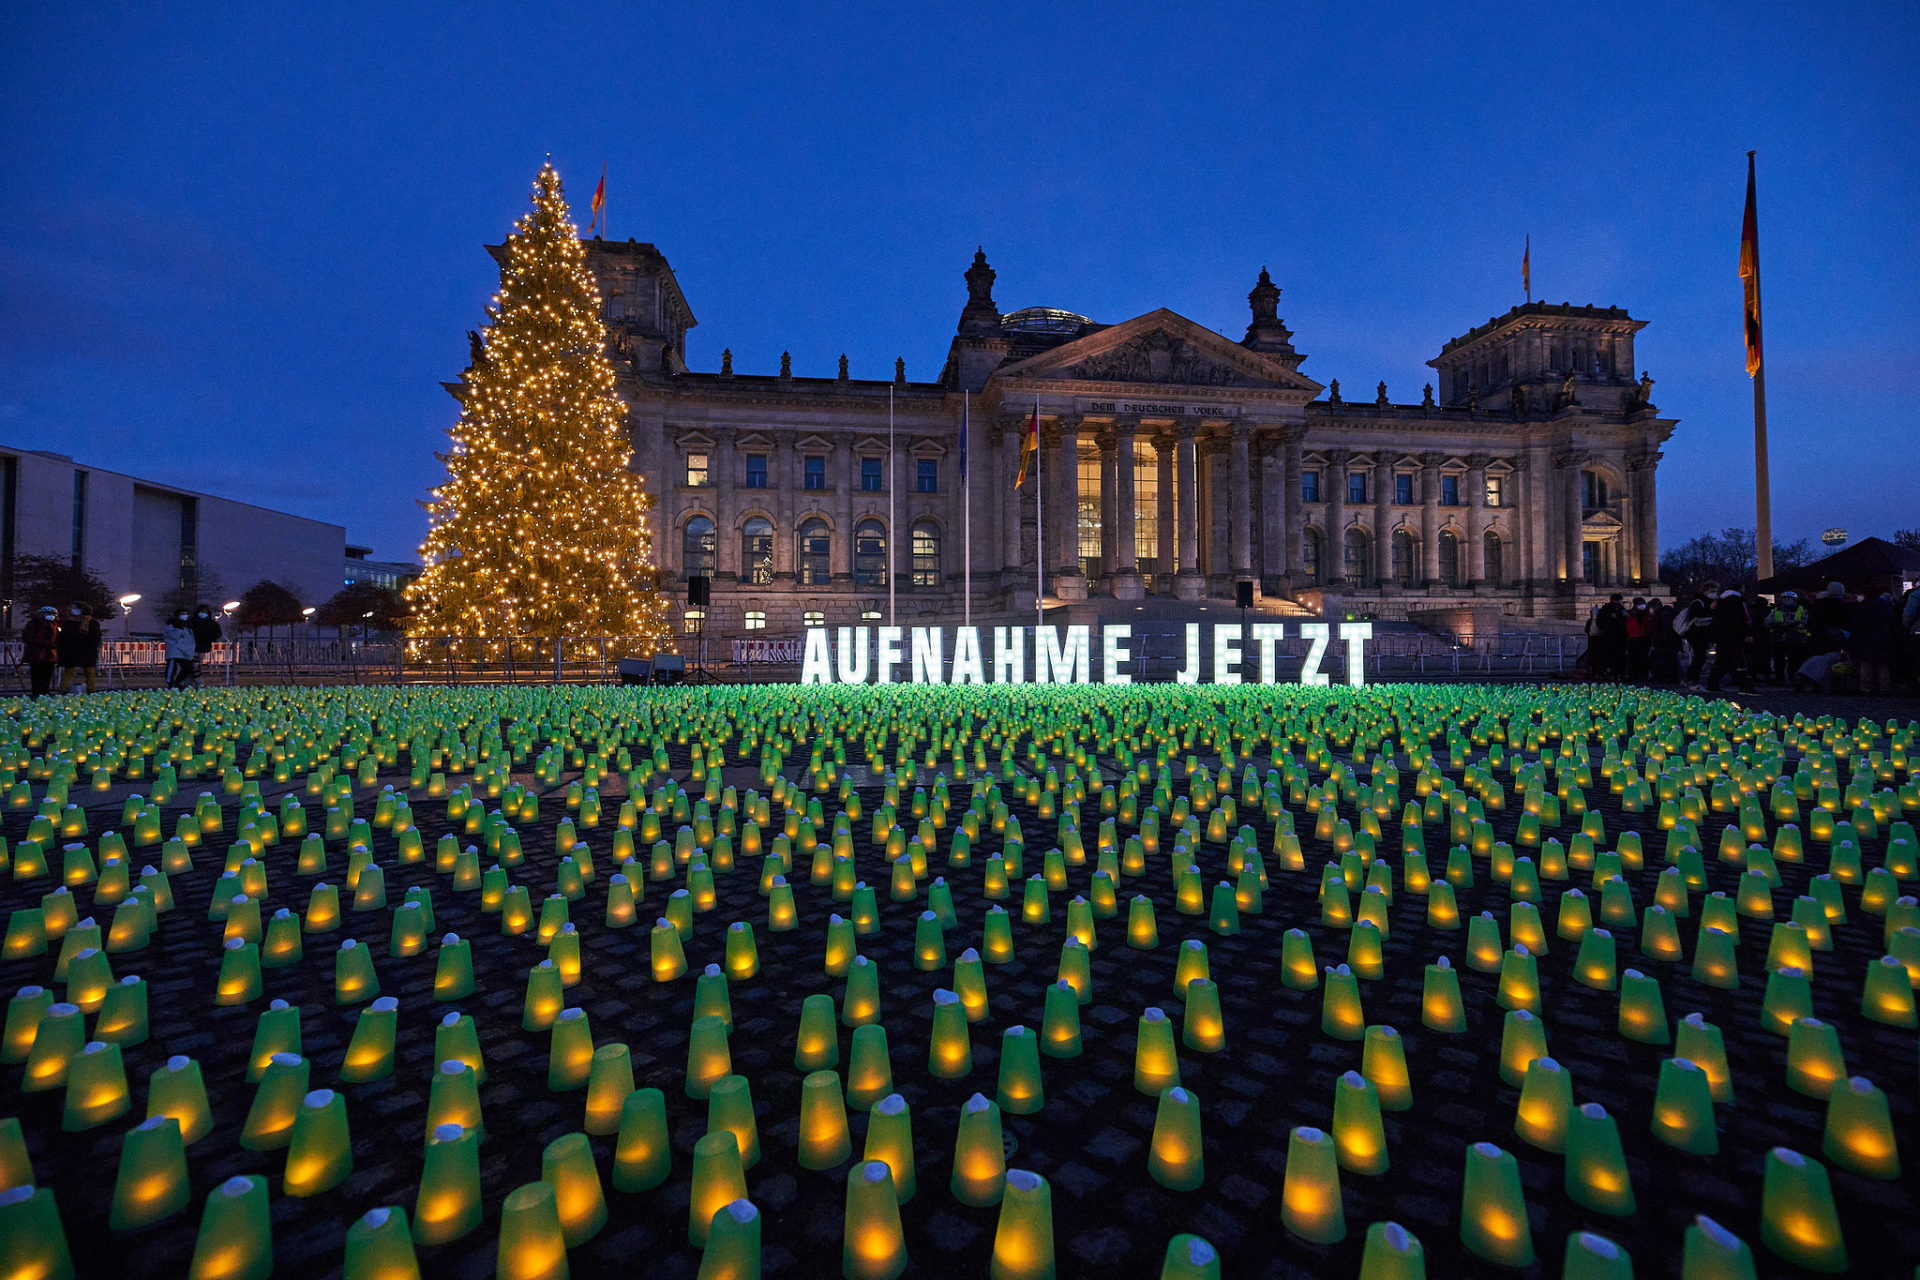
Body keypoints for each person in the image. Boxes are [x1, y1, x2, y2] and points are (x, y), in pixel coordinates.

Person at [1851, 591, 1902, 695]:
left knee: (1866, 663)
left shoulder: (1862, 606)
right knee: (1882, 664)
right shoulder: (1884, 606)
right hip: (1883, 636)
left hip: (1866, 636)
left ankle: (1866, 687)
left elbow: (1857, 623)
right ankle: (1884, 687)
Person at [1704, 587, 1751, 693]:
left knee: (1721, 661)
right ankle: (1744, 686)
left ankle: (1712, 684)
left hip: (1721, 636)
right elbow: (1741, 619)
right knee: (1740, 661)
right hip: (1734, 636)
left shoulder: (1720, 602)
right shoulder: (1737, 601)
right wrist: (1746, 633)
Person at [54, 602, 102, 693]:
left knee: (89, 670)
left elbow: (95, 638)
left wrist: (86, 645)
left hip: (86, 650)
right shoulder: (68, 622)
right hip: (72, 651)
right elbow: (63, 637)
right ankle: (63, 690)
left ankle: (91, 690)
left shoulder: (92, 623)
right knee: (69, 670)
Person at [1766, 591, 1810, 686]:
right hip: (1779, 638)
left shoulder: (1801, 609)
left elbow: (1805, 621)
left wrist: (1795, 625)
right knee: (1779, 660)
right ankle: (1780, 678)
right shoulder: (1777, 610)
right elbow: (1767, 621)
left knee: (1794, 660)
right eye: (1784, 599)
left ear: (1795, 600)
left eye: (1789, 599)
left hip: (1796, 638)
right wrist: (1776, 625)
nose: (1787, 601)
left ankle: (1793, 677)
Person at [1681, 583, 1718, 688]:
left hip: (1703, 634)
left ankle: (1690, 678)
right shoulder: (1698, 602)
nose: (1714, 594)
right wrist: (1711, 609)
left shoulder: (1707, 602)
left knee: (1699, 658)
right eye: (1712, 591)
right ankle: (1692, 679)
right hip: (1697, 635)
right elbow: (1698, 615)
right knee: (1699, 658)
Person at [22, 605, 59, 696]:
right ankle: (37, 691)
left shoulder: (54, 624)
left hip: (49, 654)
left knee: (47, 673)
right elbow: (28, 637)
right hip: (37, 653)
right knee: (37, 673)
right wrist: (48, 644)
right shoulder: (34, 624)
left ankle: (44, 690)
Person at [1593, 594, 1628, 681]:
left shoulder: (1604, 608)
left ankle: (1603, 673)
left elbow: (1599, 623)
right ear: (1619, 600)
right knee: (1618, 656)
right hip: (1619, 636)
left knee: (1605, 655)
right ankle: (1617, 674)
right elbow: (1625, 621)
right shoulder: (1620, 608)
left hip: (1606, 636)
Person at [190, 605, 224, 686]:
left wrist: (209, 637)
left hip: (203, 647)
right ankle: (195, 682)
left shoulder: (211, 623)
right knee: (193, 666)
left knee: (197, 666)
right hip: (191, 647)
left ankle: (195, 682)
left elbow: (217, 634)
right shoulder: (192, 622)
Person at [1649, 599, 1682, 682]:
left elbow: (1666, 628)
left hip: (1666, 642)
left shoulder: (1664, 613)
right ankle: (1669, 677)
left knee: (1669, 660)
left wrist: (1663, 640)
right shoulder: (1664, 612)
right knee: (1669, 660)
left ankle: (1670, 677)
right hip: (1667, 641)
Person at [164, 610, 197, 689]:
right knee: (172, 668)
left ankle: (177, 682)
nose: (185, 616)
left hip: (184, 651)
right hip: (174, 651)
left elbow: (190, 639)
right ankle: (170, 683)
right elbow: (173, 636)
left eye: (186, 614)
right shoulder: (171, 626)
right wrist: (179, 629)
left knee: (188, 668)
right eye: (182, 614)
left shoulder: (188, 627)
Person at [1623, 597, 1654, 683]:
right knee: (1633, 658)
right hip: (1633, 638)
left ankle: (1643, 675)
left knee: (1644, 658)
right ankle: (1633, 675)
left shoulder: (1648, 615)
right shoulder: (1630, 615)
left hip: (1644, 638)